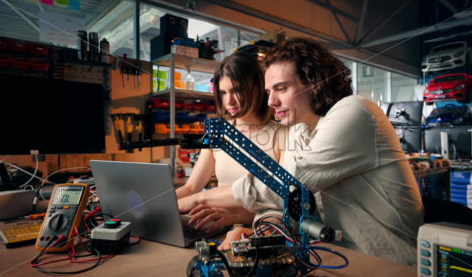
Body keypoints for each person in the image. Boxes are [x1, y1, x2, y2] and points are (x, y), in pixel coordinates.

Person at [185, 37, 424, 266]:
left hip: (391, 264)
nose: (271, 102)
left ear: (315, 83)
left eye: (281, 88)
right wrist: (258, 228)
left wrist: (199, 197)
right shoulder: (299, 132)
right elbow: (285, 205)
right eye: (269, 92)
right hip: (339, 258)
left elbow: (285, 184)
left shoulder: (356, 111)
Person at [176, 52, 285, 232]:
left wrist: (238, 218)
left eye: (237, 91)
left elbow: (280, 202)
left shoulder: (282, 135)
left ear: (258, 88)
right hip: (215, 226)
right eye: (223, 92)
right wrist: (157, 205)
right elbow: (192, 187)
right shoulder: (219, 132)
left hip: (260, 229)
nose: (229, 101)